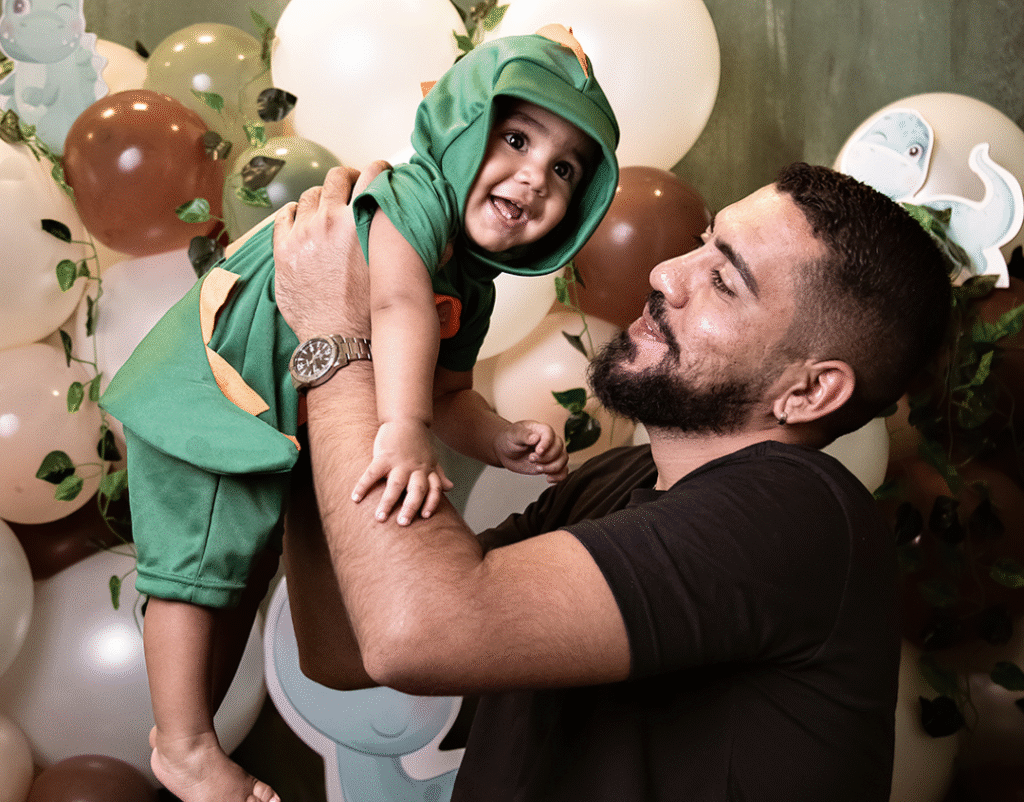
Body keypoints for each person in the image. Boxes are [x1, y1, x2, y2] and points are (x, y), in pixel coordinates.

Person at [271, 160, 953, 802]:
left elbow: (415, 634)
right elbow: (347, 647)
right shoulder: (622, 480)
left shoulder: (802, 515)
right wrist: (308, 388)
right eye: (702, 243)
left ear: (809, 392)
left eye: (724, 280)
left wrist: (335, 336)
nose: (665, 273)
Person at [98, 26, 619, 802]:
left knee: (235, 578)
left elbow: (447, 394)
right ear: (459, 126)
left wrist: (499, 435)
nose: (535, 176)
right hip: (209, 391)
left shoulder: (471, 282)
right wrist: (400, 431)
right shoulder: (408, 199)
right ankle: (184, 745)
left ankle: (191, 725)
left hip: (266, 418)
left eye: (565, 168)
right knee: (193, 571)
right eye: (515, 137)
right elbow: (396, 304)